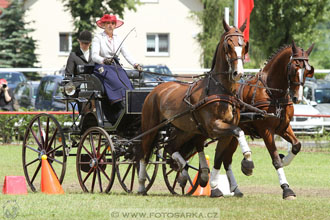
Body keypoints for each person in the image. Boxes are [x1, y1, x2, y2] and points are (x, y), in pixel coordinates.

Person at [91, 14, 142, 123]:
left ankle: (131, 106)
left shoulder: (118, 38)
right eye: (108, 23)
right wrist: (104, 60)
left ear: (115, 25)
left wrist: (135, 64)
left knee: (126, 82)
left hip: (115, 66)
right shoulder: (98, 38)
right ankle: (120, 103)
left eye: (112, 23)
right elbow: (94, 56)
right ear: (104, 25)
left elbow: (126, 53)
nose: (110, 25)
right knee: (114, 80)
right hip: (102, 66)